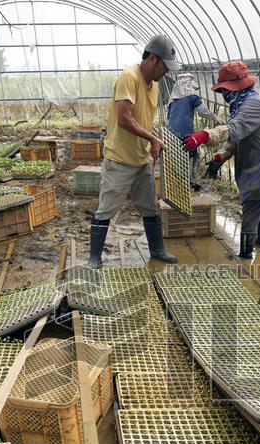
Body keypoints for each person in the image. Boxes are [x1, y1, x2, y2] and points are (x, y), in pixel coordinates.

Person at [88, 35, 180, 269]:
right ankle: (94, 257)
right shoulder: (129, 78)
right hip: (119, 158)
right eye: (165, 66)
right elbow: (124, 119)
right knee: (106, 209)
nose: (166, 73)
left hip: (141, 159)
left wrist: (153, 142)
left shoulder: (155, 84)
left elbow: (145, 119)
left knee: (150, 207)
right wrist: (152, 139)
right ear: (153, 58)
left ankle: (157, 249)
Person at [184, 61, 260, 259]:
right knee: (259, 204)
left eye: (225, 90)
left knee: (252, 208)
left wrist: (204, 136)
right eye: (222, 90)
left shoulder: (253, 106)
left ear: (237, 87)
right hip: (259, 167)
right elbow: (239, 137)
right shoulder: (243, 104)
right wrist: (220, 157)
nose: (224, 95)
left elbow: (233, 130)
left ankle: (245, 256)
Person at [167, 73, 220, 191]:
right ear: (189, 83)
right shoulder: (192, 96)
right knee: (193, 155)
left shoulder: (173, 100)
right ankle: (189, 181)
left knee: (178, 157)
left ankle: (180, 181)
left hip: (171, 132)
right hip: (185, 132)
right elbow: (203, 111)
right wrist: (216, 118)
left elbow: (168, 117)